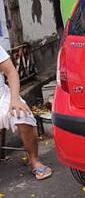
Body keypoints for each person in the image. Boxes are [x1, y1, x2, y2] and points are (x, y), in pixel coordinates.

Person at [0, 47, 52, 180]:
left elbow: (11, 72)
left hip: (2, 96)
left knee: (22, 115)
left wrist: (15, 98)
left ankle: (34, 160)